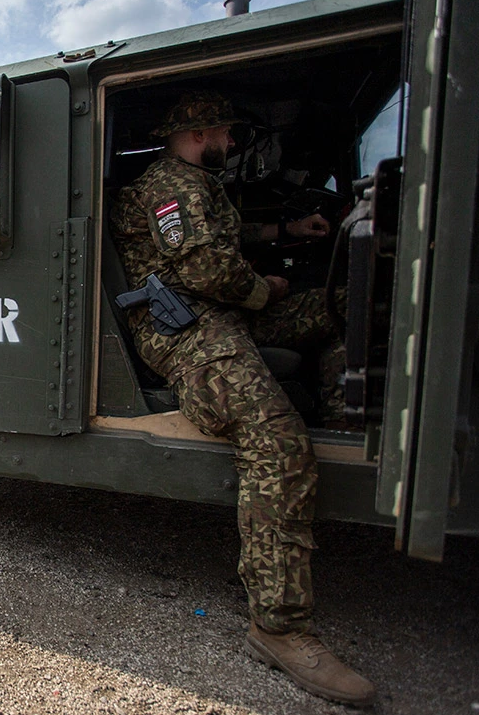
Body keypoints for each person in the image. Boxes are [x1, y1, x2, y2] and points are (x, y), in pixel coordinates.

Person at [110, 90, 375, 706]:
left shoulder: (197, 186)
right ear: (202, 132)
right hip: (187, 326)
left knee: (341, 309)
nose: (234, 142)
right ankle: (278, 627)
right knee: (277, 443)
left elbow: (224, 237)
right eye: (228, 131)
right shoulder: (167, 186)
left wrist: (286, 231)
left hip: (222, 311)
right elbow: (203, 267)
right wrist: (266, 290)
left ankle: (345, 424)